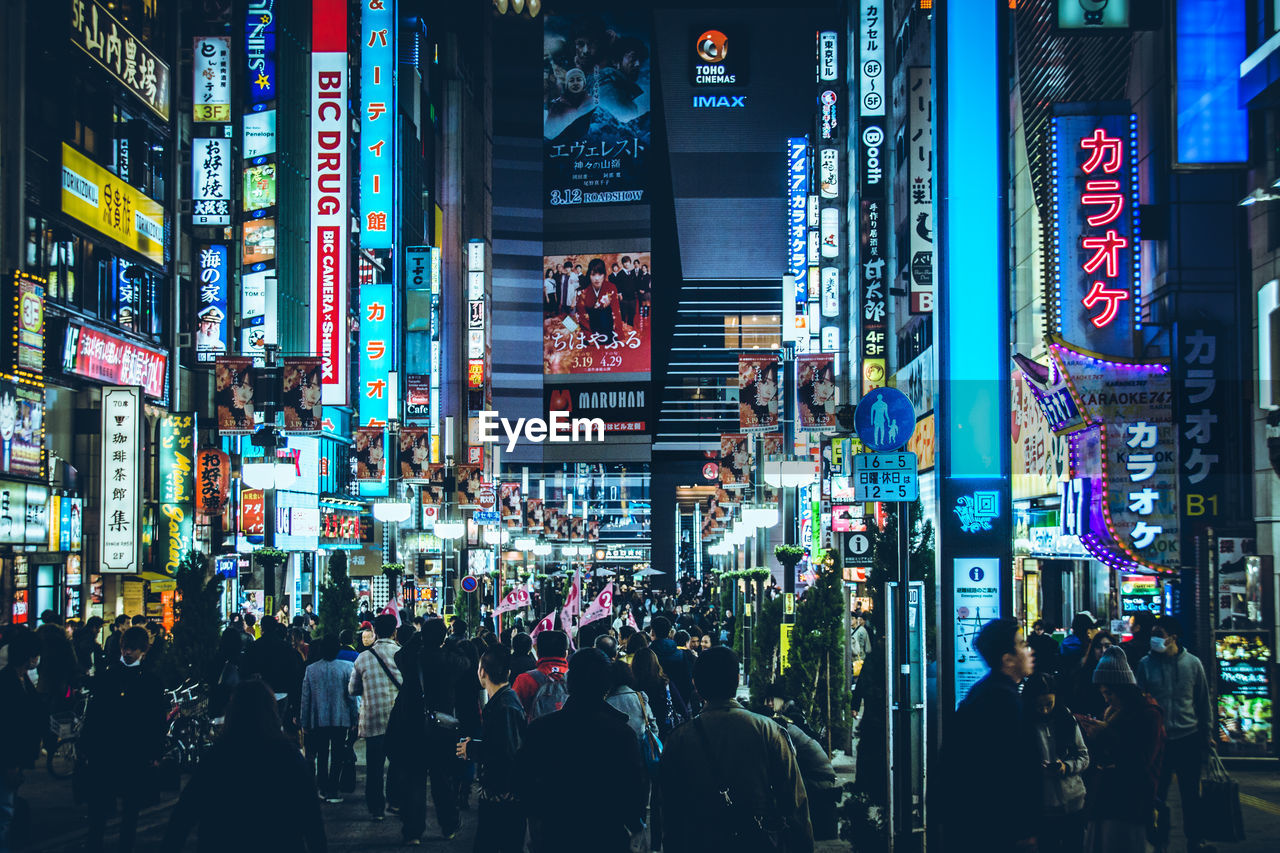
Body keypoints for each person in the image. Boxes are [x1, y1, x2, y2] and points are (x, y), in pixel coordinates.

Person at [661, 646, 813, 852]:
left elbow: (671, 811)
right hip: (758, 842)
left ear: (696, 685)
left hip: (700, 842)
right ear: (737, 679)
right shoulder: (769, 730)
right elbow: (795, 802)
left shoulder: (678, 739)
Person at [162, 680, 326, 852]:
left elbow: (183, 815)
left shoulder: (217, 757)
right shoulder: (289, 757)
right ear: (272, 712)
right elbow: (312, 821)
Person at [517, 649, 647, 852]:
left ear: (569, 682)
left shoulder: (541, 729)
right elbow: (634, 795)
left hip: (554, 836)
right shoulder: (622, 734)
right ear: (607, 684)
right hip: (607, 837)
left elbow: (523, 785)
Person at [943, 618, 1039, 852]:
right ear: (1007, 659)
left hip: (981, 826)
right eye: (1023, 644)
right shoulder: (1002, 701)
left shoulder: (987, 693)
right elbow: (1007, 770)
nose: (1030, 651)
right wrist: (1022, 828)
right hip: (996, 830)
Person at [81, 627, 168, 853]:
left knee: (129, 811)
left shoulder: (149, 681)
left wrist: (155, 752)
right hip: (109, 751)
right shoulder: (111, 675)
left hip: (131, 753)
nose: (127, 653)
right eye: (125, 648)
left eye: (132, 649)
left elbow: (157, 721)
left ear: (143, 651)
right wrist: (87, 748)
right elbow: (94, 716)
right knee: (101, 810)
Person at [1136, 616, 1215, 852]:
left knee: (1191, 794)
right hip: (1158, 741)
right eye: (1153, 633)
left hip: (1188, 738)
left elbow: (1203, 702)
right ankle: (1159, 841)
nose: (1155, 638)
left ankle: (1195, 840)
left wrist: (1207, 733)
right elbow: (1140, 703)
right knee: (1157, 795)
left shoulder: (1193, 664)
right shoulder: (1145, 665)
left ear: (1173, 638)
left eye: (1159, 633)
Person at [1076, 648, 1166, 853]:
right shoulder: (1113, 713)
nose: (1106, 699)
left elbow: (1140, 761)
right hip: (1106, 800)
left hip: (1131, 804)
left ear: (1122, 688)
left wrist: (1104, 734)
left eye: (1109, 693)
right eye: (1103, 693)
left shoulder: (1149, 714)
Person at [390, 618, 465, 843]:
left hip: (413, 726)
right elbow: (466, 662)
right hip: (441, 728)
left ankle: (413, 831)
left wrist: (417, 636)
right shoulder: (450, 660)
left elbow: (399, 656)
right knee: (442, 778)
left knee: (414, 780)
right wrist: (449, 642)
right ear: (443, 636)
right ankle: (449, 825)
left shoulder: (413, 658)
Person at [457, 646, 527, 852]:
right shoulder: (505, 699)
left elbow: (506, 753)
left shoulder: (504, 706)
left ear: (482, 672)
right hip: (502, 795)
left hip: (503, 797)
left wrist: (472, 750)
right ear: (508, 673)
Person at [1022, 673, 1089, 853]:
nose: (1044, 710)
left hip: (1074, 803)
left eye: (1049, 704)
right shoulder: (1023, 725)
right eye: (1039, 706)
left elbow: (1084, 756)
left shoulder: (1066, 718)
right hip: (1043, 809)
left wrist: (1066, 767)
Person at [764, 682, 838, 841]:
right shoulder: (788, 716)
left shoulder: (786, 723)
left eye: (772, 699)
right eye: (767, 700)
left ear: (781, 699)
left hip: (819, 779)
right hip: (820, 774)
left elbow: (789, 759)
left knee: (784, 788)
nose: (769, 703)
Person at [347, 614, 401, 820]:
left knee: (375, 767)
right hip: (398, 719)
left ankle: (376, 809)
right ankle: (394, 801)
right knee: (397, 763)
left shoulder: (363, 658)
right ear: (395, 632)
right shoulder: (402, 654)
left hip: (373, 719)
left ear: (375, 632)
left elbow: (352, 689)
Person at [0, 631, 44, 852]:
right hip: (9, 758)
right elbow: (9, 727)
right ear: (28, 656)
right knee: (5, 811)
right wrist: (10, 762)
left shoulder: (21, 679)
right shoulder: (9, 683)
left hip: (15, 757)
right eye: (35, 655)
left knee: (8, 808)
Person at [300, 635, 357, 803]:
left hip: (318, 718)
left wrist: (304, 721)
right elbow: (352, 697)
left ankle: (322, 787)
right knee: (338, 754)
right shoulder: (347, 667)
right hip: (341, 717)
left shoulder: (311, 669)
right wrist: (355, 719)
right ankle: (333, 789)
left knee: (322, 753)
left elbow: (305, 698)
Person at [241, 616, 306, 731]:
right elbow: (295, 674)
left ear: (262, 628)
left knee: (261, 726)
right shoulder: (286, 648)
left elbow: (245, 671)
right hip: (282, 692)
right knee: (278, 726)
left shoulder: (254, 647)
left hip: (260, 692)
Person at [512, 629, 569, 721]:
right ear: (566, 654)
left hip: (534, 733)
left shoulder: (524, 680)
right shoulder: (578, 679)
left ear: (538, 653)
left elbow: (514, 714)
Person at [649, 616, 694, 714]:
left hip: (655, 703)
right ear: (669, 632)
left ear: (652, 632)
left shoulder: (649, 654)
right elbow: (687, 681)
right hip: (679, 701)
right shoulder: (681, 654)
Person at [1066, 630, 1113, 721]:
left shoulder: (1121, 674)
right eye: (1099, 647)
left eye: (1107, 646)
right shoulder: (1084, 673)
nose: (1103, 651)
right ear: (1093, 649)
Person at [1056, 612, 1096, 677]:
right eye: (1093, 628)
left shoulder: (1084, 642)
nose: (1096, 630)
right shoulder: (1071, 644)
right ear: (1086, 630)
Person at [850, 611, 872, 675]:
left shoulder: (862, 630)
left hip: (857, 659)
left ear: (856, 619)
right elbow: (868, 649)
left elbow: (868, 649)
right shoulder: (863, 630)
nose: (850, 620)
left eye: (852, 618)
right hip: (860, 659)